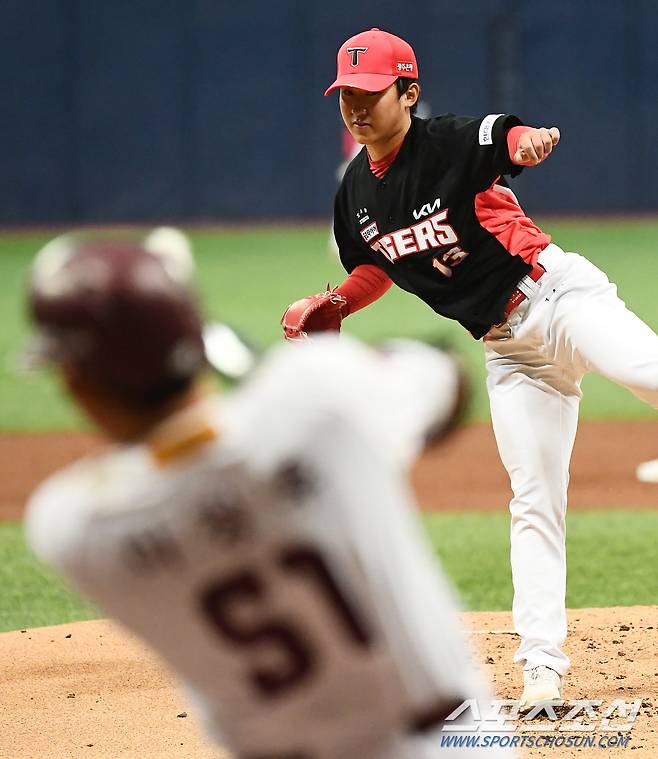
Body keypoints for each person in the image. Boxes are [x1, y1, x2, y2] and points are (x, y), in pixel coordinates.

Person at [281, 27, 658, 712]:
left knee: (649, 372)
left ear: (408, 91)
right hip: (509, 352)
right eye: (347, 97)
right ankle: (542, 672)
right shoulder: (354, 197)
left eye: (370, 94)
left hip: (559, 298)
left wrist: (531, 143)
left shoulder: (445, 142)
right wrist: (337, 302)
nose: (357, 109)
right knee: (533, 500)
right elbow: (376, 266)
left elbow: (504, 139)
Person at [24, 235, 513, 758]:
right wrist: (301, 377)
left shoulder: (73, 529)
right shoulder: (321, 394)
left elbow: (184, 467)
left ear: (78, 382)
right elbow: (447, 378)